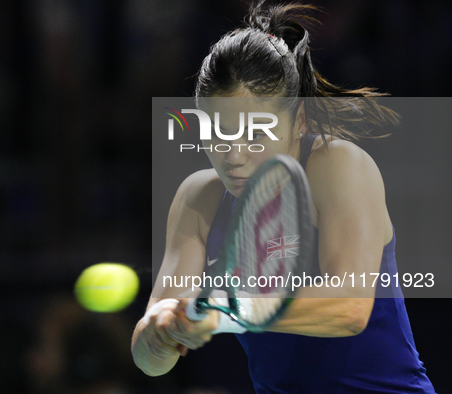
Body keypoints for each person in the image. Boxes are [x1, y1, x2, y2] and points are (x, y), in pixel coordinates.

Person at [131, 2, 437, 393]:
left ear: (300, 122)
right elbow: (152, 361)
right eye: (219, 133)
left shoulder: (339, 166)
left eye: (255, 134)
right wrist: (157, 334)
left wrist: (226, 310)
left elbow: (349, 308)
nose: (234, 156)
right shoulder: (198, 198)